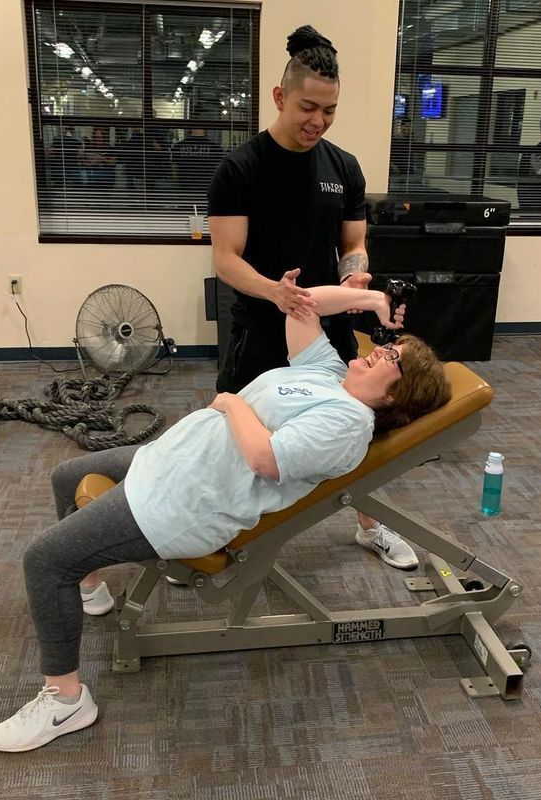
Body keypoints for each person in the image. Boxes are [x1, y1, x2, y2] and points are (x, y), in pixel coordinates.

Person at [0, 283, 452, 752]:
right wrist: (370, 302)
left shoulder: (347, 423)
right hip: (170, 462)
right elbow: (302, 306)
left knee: (43, 561)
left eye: (394, 358)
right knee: (68, 476)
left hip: (182, 505)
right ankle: (86, 586)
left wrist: (232, 402)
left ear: (396, 397)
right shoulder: (329, 373)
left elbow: (265, 458)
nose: (383, 351)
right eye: (391, 345)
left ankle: (66, 701)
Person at [207, 24, 420, 569]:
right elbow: (226, 257)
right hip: (259, 327)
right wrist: (275, 293)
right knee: (232, 433)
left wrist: (354, 277)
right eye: (307, 107)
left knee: (360, 430)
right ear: (279, 97)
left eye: (329, 111)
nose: (317, 122)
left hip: (323, 327)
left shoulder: (343, 167)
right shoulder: (240, 169)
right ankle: (209, 538)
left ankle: (370, 527)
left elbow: (354, 242)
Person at [170, 128, 223, 201]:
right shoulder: (215, 147)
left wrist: (175, 181)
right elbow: (219, 168)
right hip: (205, 186)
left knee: (185, 209)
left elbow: (174, 167)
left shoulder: (178, 146)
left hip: (186, 186)